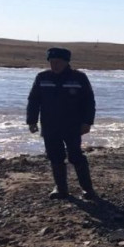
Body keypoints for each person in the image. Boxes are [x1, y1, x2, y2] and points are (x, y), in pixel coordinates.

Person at [27, 47, 97, 200]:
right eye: (51, 62)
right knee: (55, 157)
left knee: (75, 156)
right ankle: (61, 189)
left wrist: (87, 122)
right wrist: (31, 121)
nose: (54, 65)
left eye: (57, 62)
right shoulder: (42, 77)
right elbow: (33, 100)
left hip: (72, 126)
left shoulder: (79, 78)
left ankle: (87, 189)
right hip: (50, 126)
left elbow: (89, 102)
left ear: (66, 62)